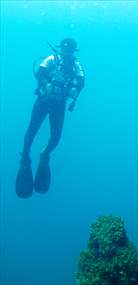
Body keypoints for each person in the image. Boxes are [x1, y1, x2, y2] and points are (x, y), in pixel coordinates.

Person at [16, 38, 85, 198]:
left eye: (69, 51)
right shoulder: (52, 59)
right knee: (30, 133)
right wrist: (45, 83)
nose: (66, 53)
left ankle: (45, 155)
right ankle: (25, 158)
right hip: (43, 100)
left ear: (73, 52)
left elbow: (82, 81)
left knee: (55, 137)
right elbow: (40, 73)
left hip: (59, 105)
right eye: (65, 49)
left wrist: (74, 89)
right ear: (61, 48)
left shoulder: (76, 65)